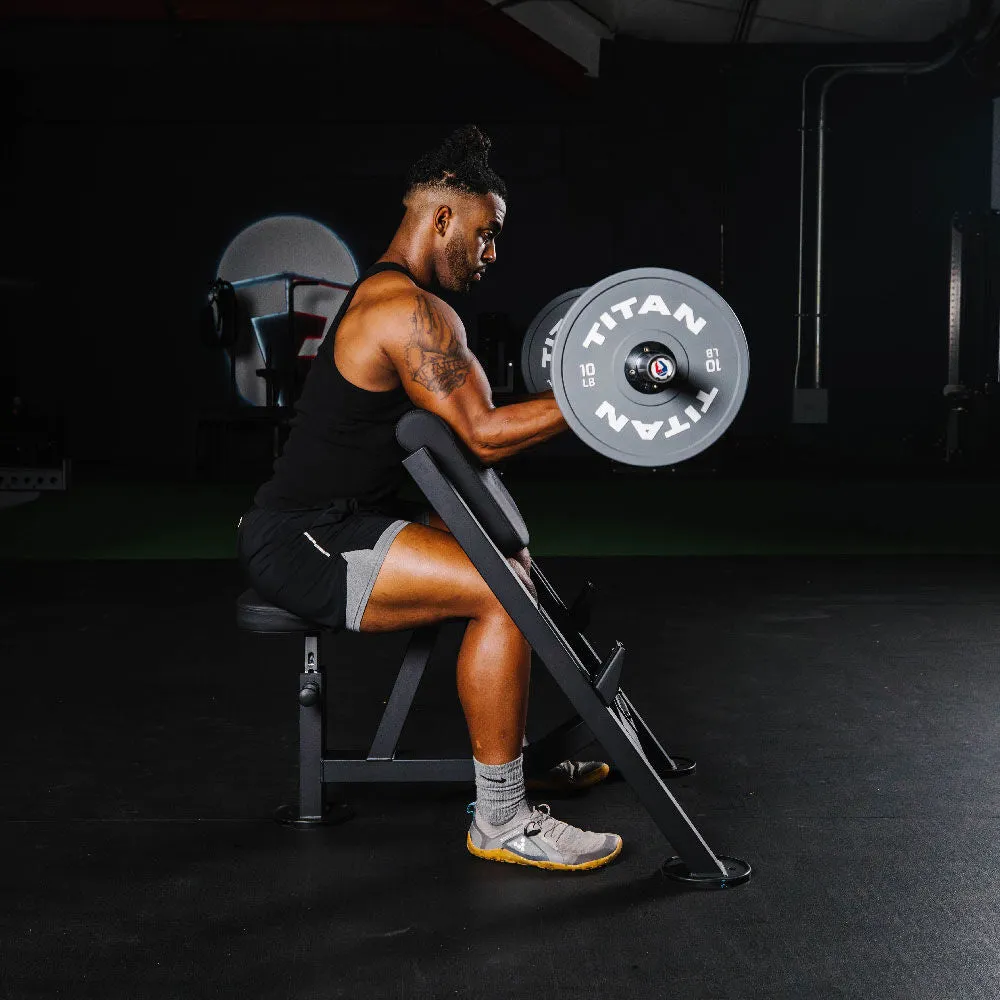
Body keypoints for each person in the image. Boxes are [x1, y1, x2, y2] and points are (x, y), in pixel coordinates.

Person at [237, 125, 621, 872]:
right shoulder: (404, 310)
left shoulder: (403, 301)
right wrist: (601, 393)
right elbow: (479, 434)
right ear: (442, 218)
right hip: (305, 539)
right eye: (486, 234)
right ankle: (502, 821)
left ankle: (509, 762)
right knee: (497, 591)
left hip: (349, 521)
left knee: (508, 562)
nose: (491, 255)